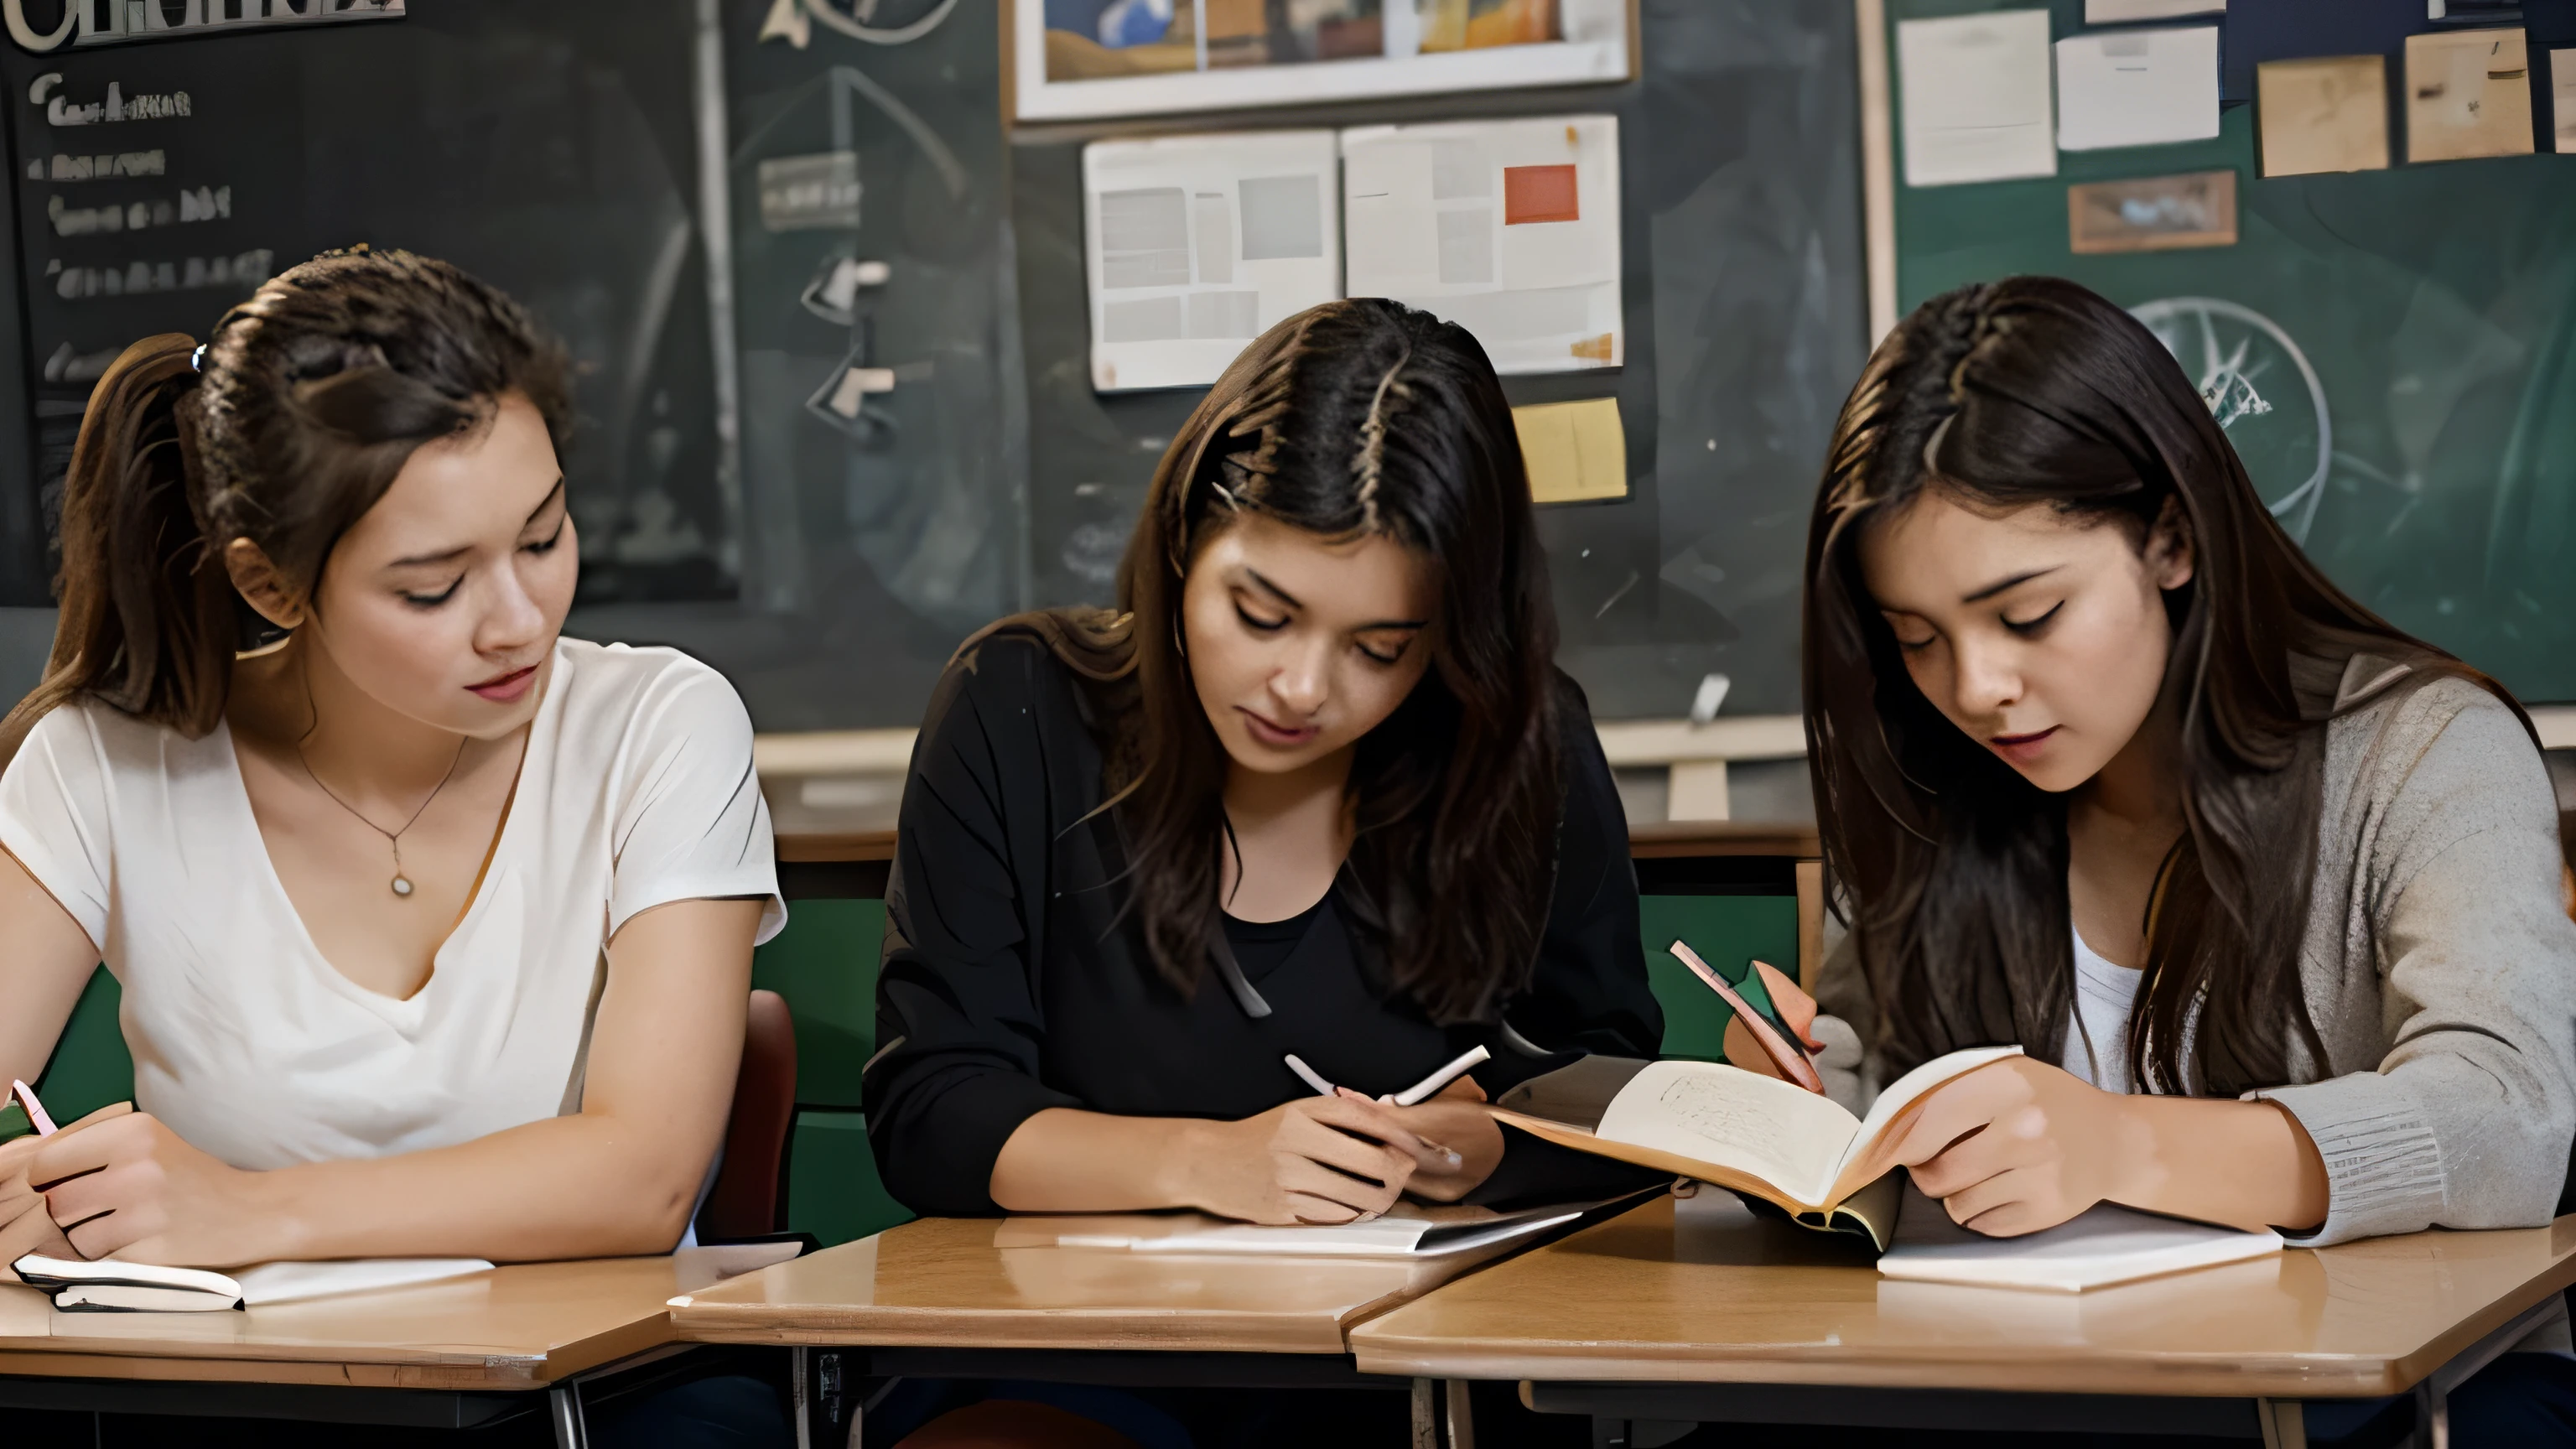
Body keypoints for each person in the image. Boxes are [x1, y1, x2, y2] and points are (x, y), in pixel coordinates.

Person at [0, 248, 788, 1446]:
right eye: (433, 588)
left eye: (543, 536)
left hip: (591, 1401)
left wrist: (242, 1209)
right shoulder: (102, 762)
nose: (519, 620)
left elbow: (642, 1179)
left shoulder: (659, 727)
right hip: (241, 1406)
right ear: (271, 585)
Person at [866, 298, 1662, 1446]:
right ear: (1187, 538)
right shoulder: (1021, 709)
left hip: (1417, 1376)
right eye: (1261, 612)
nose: (1300, 687)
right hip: (1084, 1370)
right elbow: (933, 1112)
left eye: (1378, 650)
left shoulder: (1521, 750)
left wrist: (1486, 1148)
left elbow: (1614, 1084)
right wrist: (1218, 1161)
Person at [1804, 276, 2576, 1439]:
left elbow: (2509, 1120)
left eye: (2026, 617)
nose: (1975, 688)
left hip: (2397, 1404)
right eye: (1916, 638)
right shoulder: (1932, 781)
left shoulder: (2426, 752)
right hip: (2037, 1393)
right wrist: (1821, 1102)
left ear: (2171, 537)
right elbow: (1889, 1072)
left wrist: (2117, 1145)